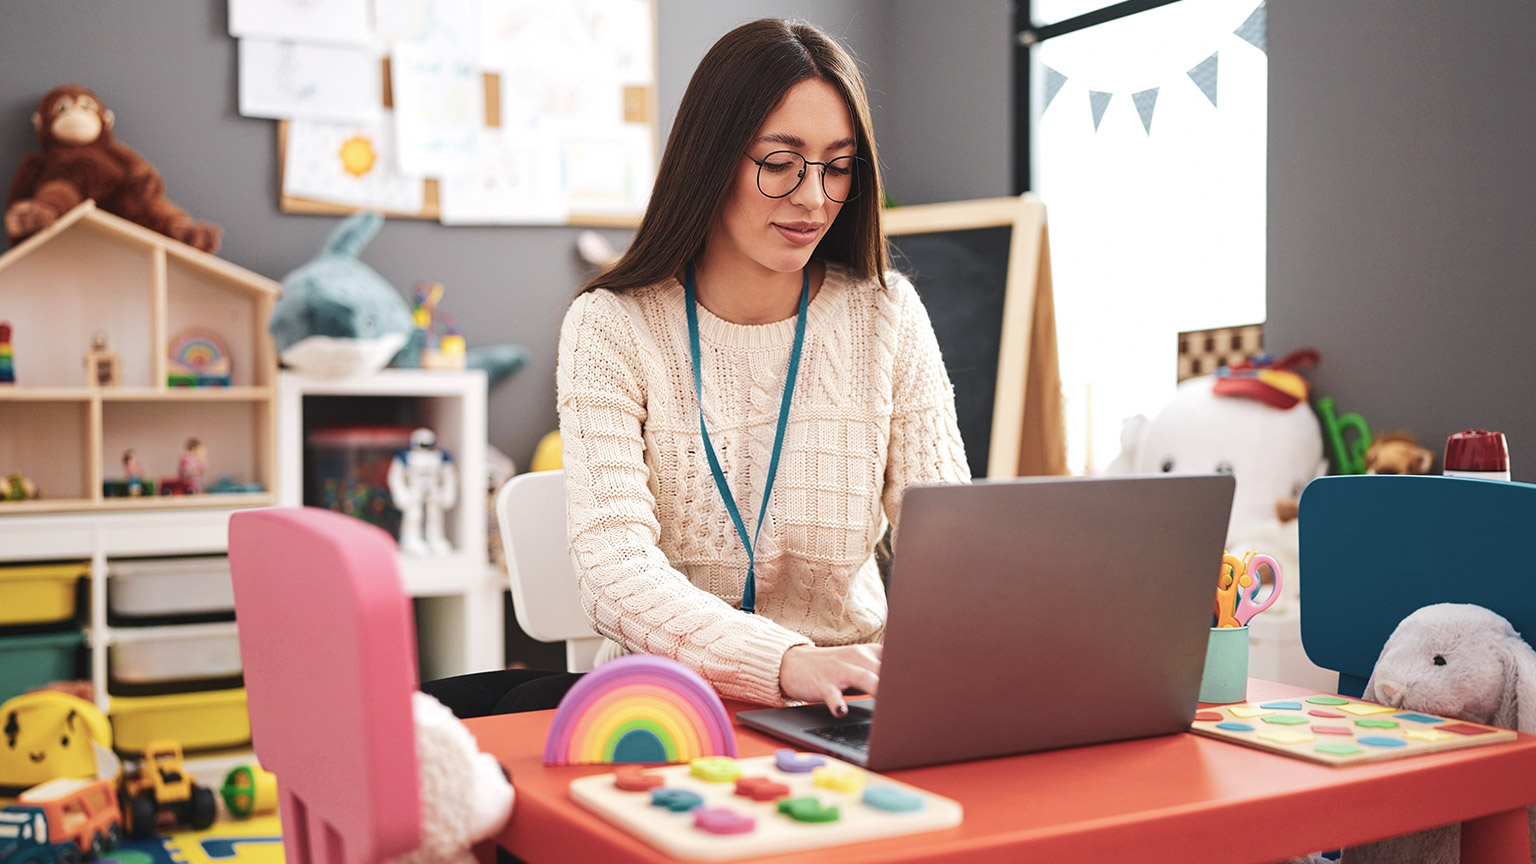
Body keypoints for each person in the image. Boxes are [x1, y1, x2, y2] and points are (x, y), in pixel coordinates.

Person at [424, 17, 968, 720]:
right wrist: (787, 663)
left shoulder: (887, 314)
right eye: (780, 163)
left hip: (851, 702)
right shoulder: (613, 325)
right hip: (666, 706)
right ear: (713, 157)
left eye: (837, 165)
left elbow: (950, 547)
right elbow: (616, 571)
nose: (814, 197)